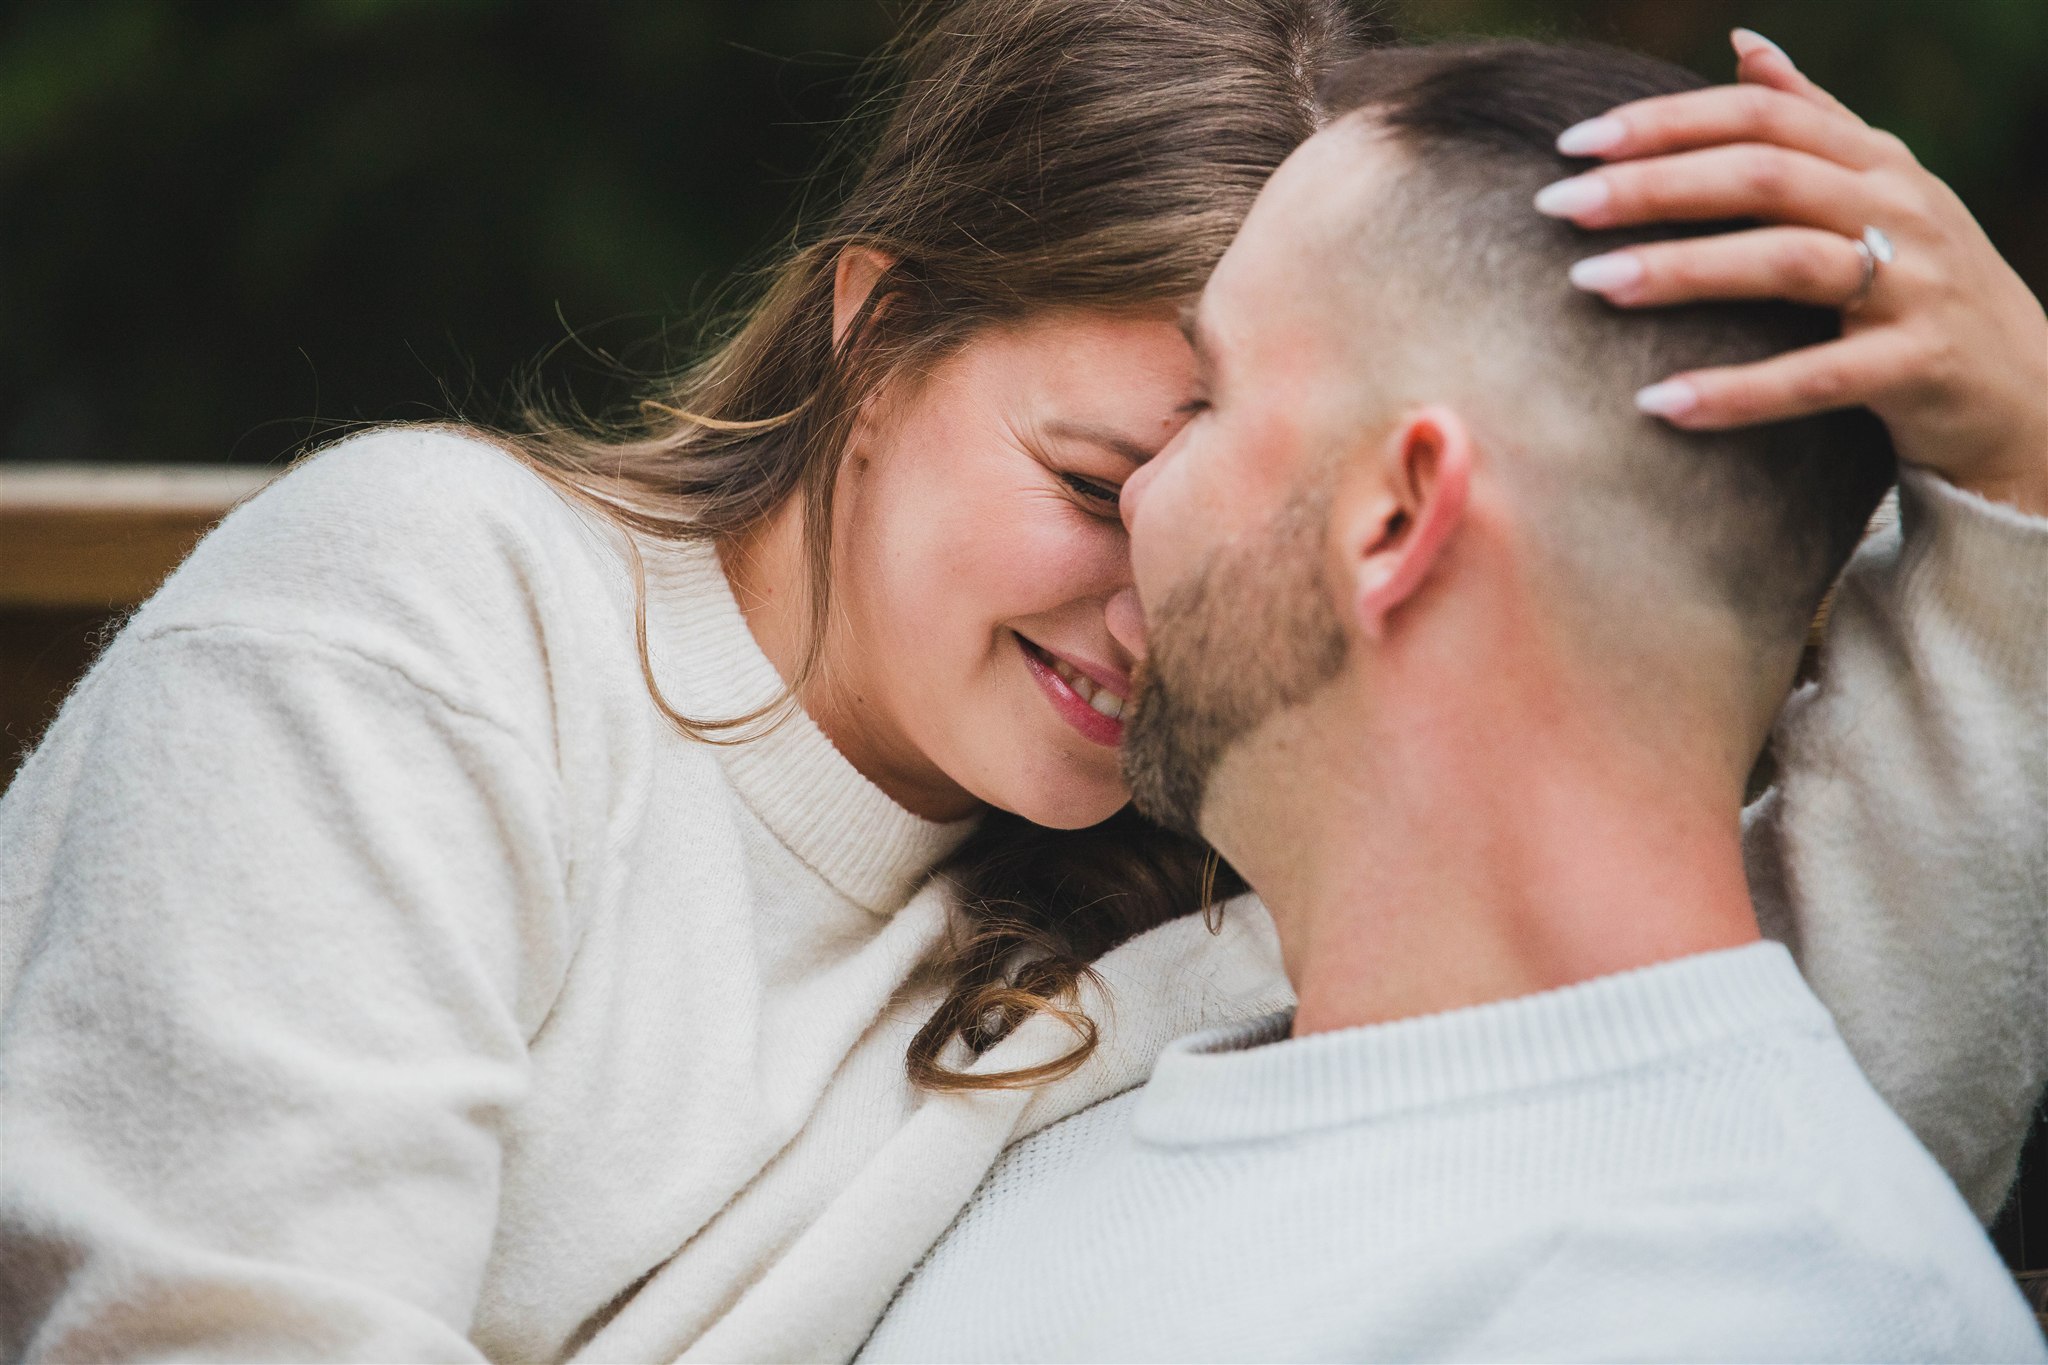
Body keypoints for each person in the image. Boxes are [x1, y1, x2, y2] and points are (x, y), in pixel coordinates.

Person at [1, 3, 2044, 1361]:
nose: (1157, 563)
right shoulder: (422, 637)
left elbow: (1730, 1064)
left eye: (1217, 452)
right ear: (869, 343)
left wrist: (2015, 477)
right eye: (1093, 473)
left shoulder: (1198, 909)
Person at [859, 39, 2047, 1363]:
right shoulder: (1102, 1094)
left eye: (1214, 400)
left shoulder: (1743, 1310)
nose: (1140, 500)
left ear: (1398, 513)